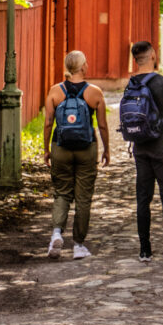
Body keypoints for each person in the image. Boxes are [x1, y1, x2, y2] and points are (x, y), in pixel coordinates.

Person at [43, 51, 110, 260]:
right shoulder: (95, 92)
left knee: (62, 192)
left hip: (60, 147)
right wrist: (107, 149)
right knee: (83, 198)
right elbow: (102, 125)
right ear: (83, 67)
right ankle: (79, 245)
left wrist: (46, 149)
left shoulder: (55, 91)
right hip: (86, 148)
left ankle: (56, 233)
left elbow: (47, 123)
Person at [126, 41, 163, 263]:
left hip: (140, 148)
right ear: (152, 55)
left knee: (143, 199)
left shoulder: (131, 84)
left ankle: (145, 250)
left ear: (135, 59)